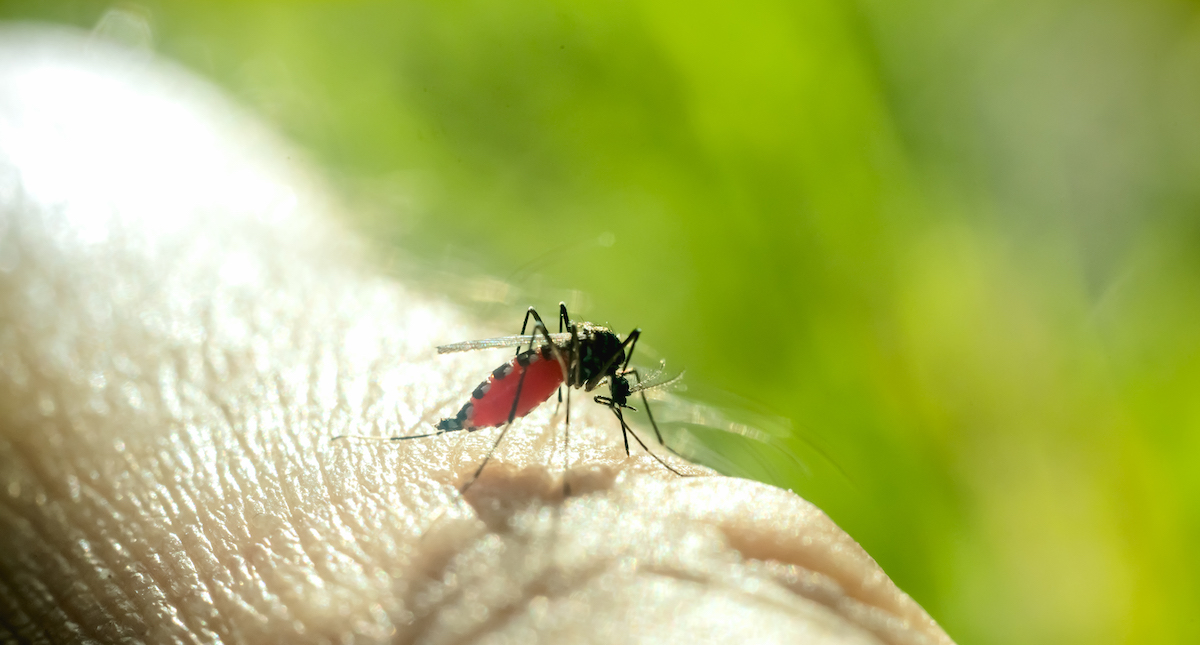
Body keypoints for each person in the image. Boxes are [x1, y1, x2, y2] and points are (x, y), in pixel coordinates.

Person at [0, 25, 954, 645]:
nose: (619, 396)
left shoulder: (591, 373)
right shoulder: (579, 379)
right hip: (509, 405)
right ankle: (469, 418)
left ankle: (470, 417)